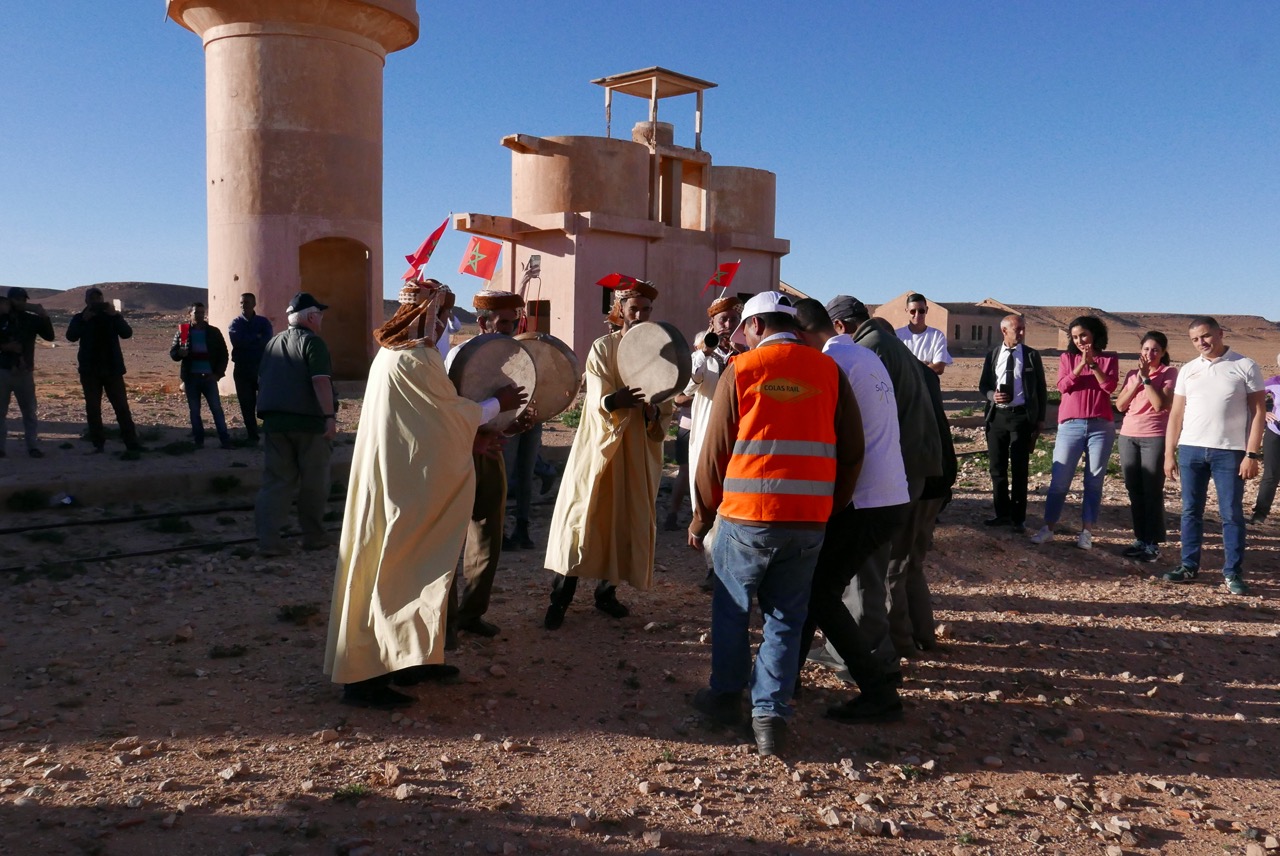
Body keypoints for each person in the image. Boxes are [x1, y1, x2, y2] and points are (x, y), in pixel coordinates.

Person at [324, 281, 525, 708]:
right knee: (396, 570)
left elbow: (423, 424)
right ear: (424, 316)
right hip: (405, 490)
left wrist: (470, 443)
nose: (442, 325)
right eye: (439, 316)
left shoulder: (392, 356)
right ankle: (365, 677)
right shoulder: (417, 358)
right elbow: (449, 415)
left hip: (404, 481)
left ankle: (412, 659)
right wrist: (497, 402)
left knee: (413, 570)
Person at [688, 291, 862, 756]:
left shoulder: (742, 370)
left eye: (744, 329)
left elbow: (714, 453)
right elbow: (852, 450)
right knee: (786, 618)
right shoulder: (829, 372)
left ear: (756, 327)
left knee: (731, 609)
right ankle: (770, 718)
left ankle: (725, 697)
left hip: (746, 519)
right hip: (808, 522)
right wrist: (830, 504)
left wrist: (701, 516)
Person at [792, 298, 907, 723]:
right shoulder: (859, 352)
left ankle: (879, 692)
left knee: (818, 592)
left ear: (803, 333)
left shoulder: (829, 363)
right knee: (811, 587)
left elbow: (832, 437)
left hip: (863, 499)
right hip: (887, 495)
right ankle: (786, 677)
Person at [821, 295, 942, 680]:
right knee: (896, 566)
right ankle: (900, 644)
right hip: (915, 469)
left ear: (839, 327)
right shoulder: (889, 346)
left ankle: (868, 658)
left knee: (866, 572)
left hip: (891, 475)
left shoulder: (866, 350)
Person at [543, 280, 674, 629]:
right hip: (601, 448)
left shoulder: (657, 351)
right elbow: (598, 395)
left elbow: (665, 402)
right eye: (635, 309)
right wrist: (616, 401)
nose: (641, 315)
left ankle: (606, 594)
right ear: (620, 311)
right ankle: (561, 597)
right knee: (583, 519)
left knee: (624, 519)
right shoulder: (603, 347)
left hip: (636, 449)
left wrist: (653, 412)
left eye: (647, 310)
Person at [1162, 317, 1266, 595]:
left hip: (1229, 452)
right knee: (1190, 511)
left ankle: (1232, 572)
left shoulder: (1245, 365)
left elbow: (1258, 413)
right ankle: (1188, 565)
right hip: (1191, 449)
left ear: (1220, 333)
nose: (1202, 343)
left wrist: (1251, 454)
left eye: (1206, 336)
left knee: (1231, 513)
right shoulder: (1188, 370)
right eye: (1195, 339)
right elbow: (1176, 414)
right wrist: (1168, 453)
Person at [446, 287, 524, 640]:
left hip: (491, 452)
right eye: (504, 323)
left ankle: (472, 612)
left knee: (488, 533)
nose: (511, 328)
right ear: (482, 322)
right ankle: (443, 622)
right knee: (448, 538)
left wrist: (515, 421)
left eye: (514, 322)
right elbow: (448, 414)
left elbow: (514, 404)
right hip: (458, 455)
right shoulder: (457, 356)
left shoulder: (516, 357)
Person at [254, 292, 337, 557]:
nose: (321, 319)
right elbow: (321, 381)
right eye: (320, 315)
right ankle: (313, 536)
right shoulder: (314, 344)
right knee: (314, 483)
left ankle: (269, 540)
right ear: (311, 317)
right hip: (309, 425)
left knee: (277, 483)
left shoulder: (273, 343)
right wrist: (329, 417)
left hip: (275, 423)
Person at [1031, 316, 1119, 549]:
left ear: (1094, 335)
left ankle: (1086, 532)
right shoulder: (1067, 358)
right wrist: (1080, 365)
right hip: (1071, 425)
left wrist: (1094, 365)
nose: (1080, 340)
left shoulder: (1109, 359)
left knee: (1094, 481)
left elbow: (1109, 387)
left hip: (1101, 426)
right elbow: (1062, 386)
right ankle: (1048, 527)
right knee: (1060, 481)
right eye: (1076, 336)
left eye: (1084, 335)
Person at [677, 295, 743, 570]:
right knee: (705, 494)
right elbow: (687, 388)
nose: (728, 324)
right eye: (723, 320)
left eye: (733, 319)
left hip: (738, 438)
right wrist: (704, 352)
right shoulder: (702, 357)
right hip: (706, 435)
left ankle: (729, 563)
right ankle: (711, 566)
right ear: (712, 323)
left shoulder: (744, 354)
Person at [978, 314, 1048, 533]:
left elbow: (1041, 389)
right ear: (1004, 331)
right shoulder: (993, 355)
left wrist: (1040, 419)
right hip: (997, 417)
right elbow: (983, 385)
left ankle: (1019, 518)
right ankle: (1002, 514)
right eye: (1016, 329)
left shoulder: (1031, 356)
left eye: (1023, 329)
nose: (1020, 333)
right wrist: (992, 396)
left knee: (1019, 469)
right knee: (997, 468)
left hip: (1021, 418)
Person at [1114, 331, 1177, 562]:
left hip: (1154, 436)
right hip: (1128, 435)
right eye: (1146, 349)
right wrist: (1137, 380)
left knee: (1152, 490)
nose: (1150, 354)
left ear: (1163, 353)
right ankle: (1140, 538)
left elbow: (1160, 404)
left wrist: (1147, 380)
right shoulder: (1132, 374)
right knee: (1134, 489)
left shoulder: (1169, 373)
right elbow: (1120, 405)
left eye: (1155, 350)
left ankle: (1153, 543)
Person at [66, 287, 142, 454]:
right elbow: (71, 336)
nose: (96, 302)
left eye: (98, 299)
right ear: (86, 301)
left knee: (122, 407)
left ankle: (131, 442)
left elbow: (127, 333)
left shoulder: (111, 317)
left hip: (112, 370)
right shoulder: (80, 318)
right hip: (90, 371)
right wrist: (84, 320)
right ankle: (98, 443)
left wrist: (115, 315)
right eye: (92, 299)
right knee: (93, 408)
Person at [169, 302, 232, 450]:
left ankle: (225, 439)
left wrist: (217, 374)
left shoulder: (213, 332)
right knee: (195, 411)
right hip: (191, 378)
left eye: (202, 312)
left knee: (216, 409)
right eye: (196, 312)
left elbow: (223, 354)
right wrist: (179, 353)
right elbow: (173, 353)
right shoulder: (183, 332)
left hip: (209, 377)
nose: (200, 315)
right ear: (189, 314)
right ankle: (199, 441)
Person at [227, 292, 273, 444]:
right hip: (242, 369)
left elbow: (267, 340)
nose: (243, 305)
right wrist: (256, 337)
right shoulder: (235, 324)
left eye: (246, 302)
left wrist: (251, 339)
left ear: (254, 304)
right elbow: (238, 342)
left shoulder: (263, 322)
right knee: (246, 404)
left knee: (266, 402)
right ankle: (252, 435)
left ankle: (269, 433)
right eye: (241, 302)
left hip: (261, 368)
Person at [1250, 355, 1280, 525]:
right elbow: (1254, 398)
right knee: (1271, 474)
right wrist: (1266, 411)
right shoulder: (1273, 382)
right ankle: (1260, 514)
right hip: (1276, 433)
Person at [895, 293, 952, 375]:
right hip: (903, 387)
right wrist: (925, 365)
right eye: (913, 311)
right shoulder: (897, 335)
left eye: (921, 311)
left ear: (926, 310)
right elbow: (894, 366)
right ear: (907, 311)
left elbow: (939, 368)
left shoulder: (937, 336)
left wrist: (908, 367)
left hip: (928, 386)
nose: (917, 315)